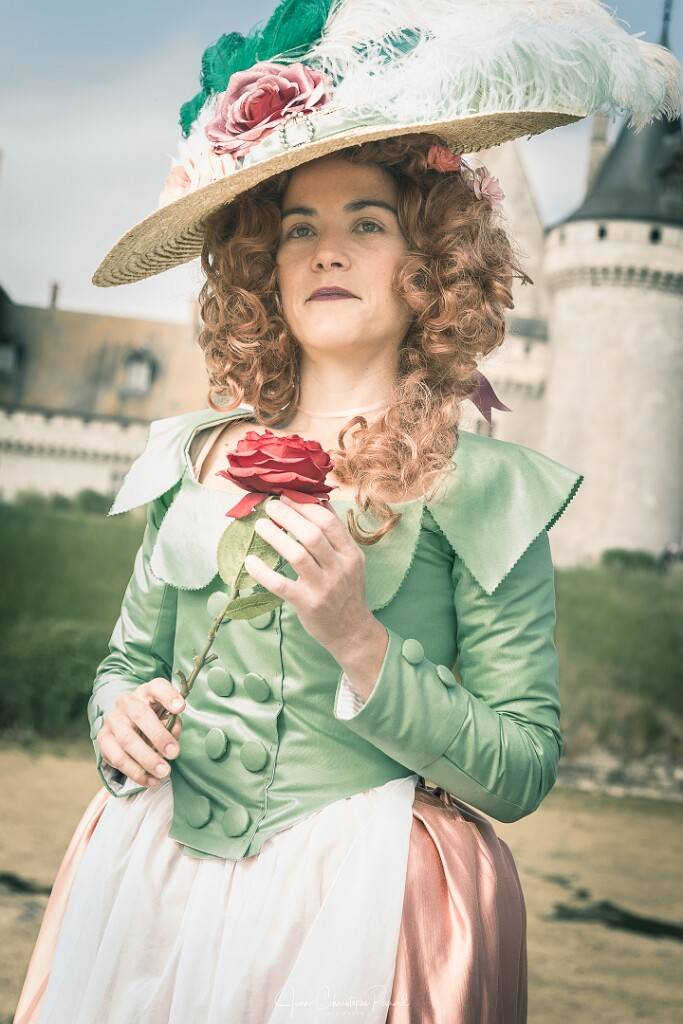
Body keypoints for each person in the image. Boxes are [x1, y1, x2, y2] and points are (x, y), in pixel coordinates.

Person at [14, 2, 680, 1022]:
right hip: (154, 889)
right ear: (264, 268)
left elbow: (518, 770)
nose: (327, 252)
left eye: (366, 223)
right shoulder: (191, 460)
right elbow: (124, 664)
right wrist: (121, 719)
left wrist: (360, 642)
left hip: (362, 908)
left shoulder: (486, 490)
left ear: (430, 266)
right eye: (299, 229)